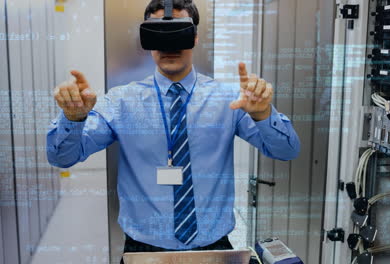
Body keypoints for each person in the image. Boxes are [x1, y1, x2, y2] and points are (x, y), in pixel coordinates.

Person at [46, 0, 300, 262]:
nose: (170, 45)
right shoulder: (121, 102)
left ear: (195, 37)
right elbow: (62, 158)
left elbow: (287, 151)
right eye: (159, 33)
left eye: (179, 31)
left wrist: (262, 115)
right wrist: (73, 119)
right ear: (146, 38)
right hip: (142, 250)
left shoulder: (229, 99)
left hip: (214, 247)